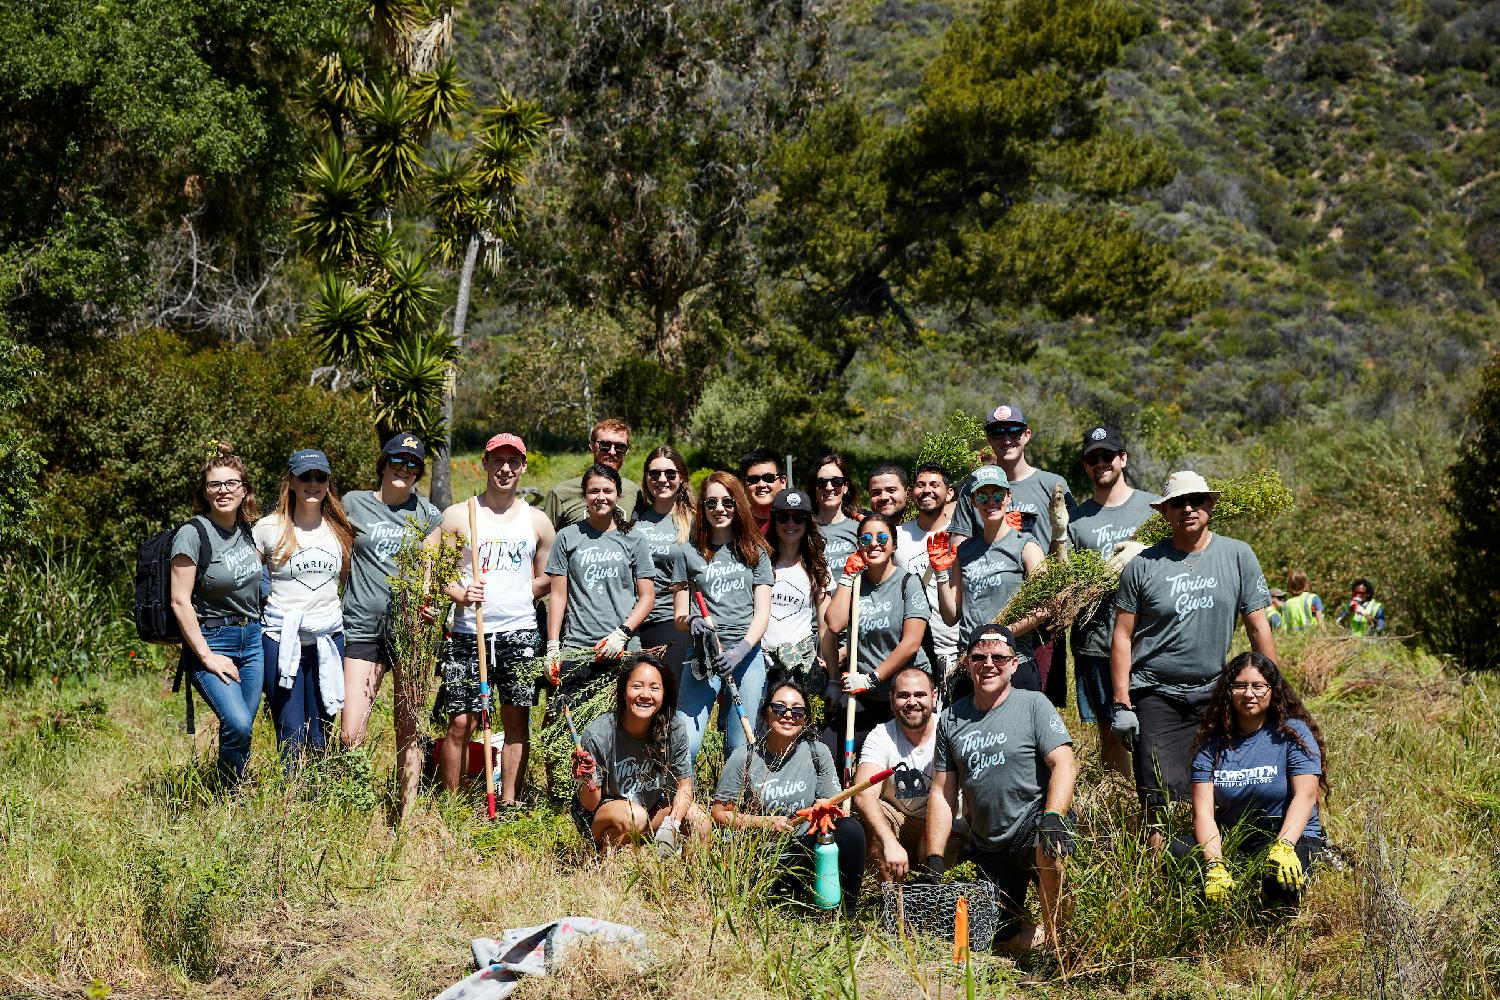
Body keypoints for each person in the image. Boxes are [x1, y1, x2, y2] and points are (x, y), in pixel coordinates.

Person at [1110, 471, 1278, 844]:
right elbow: (1122, 636)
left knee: (1221, 784)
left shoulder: (1238, 555)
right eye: (1177, 503)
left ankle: (1218, 864)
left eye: (1196, 500)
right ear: (1165, 512)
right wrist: (1122, 702)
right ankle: (1156, 882)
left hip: (1214, 691)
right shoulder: (1143, 565)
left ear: (1210, 505)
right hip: (1155, 693)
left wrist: (1273, 688)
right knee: (1157, 796)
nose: (1188, 508)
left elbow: (1258, 628)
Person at [925, 627, 1078, 953]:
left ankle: (1060, 944)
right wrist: (935, 856)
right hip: (988, 843)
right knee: (976, 938)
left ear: (1014, 664)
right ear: (967, 664)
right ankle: (1041, 936)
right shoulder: (951, 718)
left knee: (1050, 848)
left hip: (1033, 822)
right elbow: (942, 792)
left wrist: (1053, 816)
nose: (989, 664)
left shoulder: (1034, 704)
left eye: (999, 657)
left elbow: (1064, 763)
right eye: (979, 657)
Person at [430, 433, 555, 803]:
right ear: (484, 463)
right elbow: (432, 569)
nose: (505, 469)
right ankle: (452, 804)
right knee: (460, 722)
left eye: (513, 462)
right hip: (470, 633)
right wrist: (460, 593)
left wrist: (521, 592)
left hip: (519, 633)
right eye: (497, 460)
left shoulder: (537, 521)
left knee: (516, 721)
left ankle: (510, 801)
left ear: (523, 466)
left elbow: (548, 578)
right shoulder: (459, 515)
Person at [1172, 651, 1327, 907]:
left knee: (1280, 880)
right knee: (1178, 851)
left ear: (1272, 690)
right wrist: (1215, 866)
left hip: (1287, 834)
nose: (1249, 693)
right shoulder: (1211, 743)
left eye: (1258, 686)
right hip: (1237, 836)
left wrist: (1285, 846)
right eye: (1240, 686)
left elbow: (1306, 796)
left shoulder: (1293, 734)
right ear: (1228, 691)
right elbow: (1204, 814)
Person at [340, 432, 442, 815]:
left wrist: (429, 603)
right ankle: (352, 805)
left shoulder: (427, 515)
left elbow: (430, 571)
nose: (405, 469)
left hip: (411, 633)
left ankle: (407, 814)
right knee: (351, 731)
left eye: (413, 464)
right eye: (397, 461)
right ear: (383, 464)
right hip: (362, 627)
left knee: (410, 727)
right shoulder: (353, 504)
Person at [949, 405, 1074, 702]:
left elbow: (1067, 551)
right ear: (989, 438)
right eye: (998, 432)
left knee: (1036, 706)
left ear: (1026, 435)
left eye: (1014, 431)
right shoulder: (971, 490)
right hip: (985, 616)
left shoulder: (1052, 484)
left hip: (1037, 623)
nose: (1007, 438)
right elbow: (962, 555)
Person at [712, 679, 866, 915]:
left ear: (804, 719)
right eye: (779, 708)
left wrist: (823, 809)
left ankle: (846, 914)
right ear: (766, 713)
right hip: (761, 856)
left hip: (805, 849)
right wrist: (762, 823)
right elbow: (720, 813)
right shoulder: (744, 758)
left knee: (850, 828)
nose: (788, 715)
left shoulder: (818, 752)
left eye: (797, 710)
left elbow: (832, 806)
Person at [1064, 426, 1159, 775]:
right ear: (1085, 466)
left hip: (1148, 640)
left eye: (1107, 456)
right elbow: (1066, 583)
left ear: (1123, 459)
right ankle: (1121, 812)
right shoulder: (1074, 521)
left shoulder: (1152, 508)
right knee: (1112, 733)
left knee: (1154, 729)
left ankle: (1155, 808)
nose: (1100, 463)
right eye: (1092, 458)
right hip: (1095, 642)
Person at [168, 442, 264, 786]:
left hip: (252, 641)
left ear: (244, 490)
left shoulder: (249, 531)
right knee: (237, 721)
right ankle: (228, 790)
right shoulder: (192, 534)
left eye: (231, 483)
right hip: (213, 640)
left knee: (241, 729)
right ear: (205, 492)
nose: (223, 490)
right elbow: (179, 601)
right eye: (215, 484)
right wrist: (206, 656)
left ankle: (229, 795)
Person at [253, 448, 354, 774]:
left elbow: (344, 580)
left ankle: (321, 799)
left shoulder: (340, 531)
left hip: (327, 639)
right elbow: (247, 581)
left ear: (328, 483)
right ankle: (290, 804)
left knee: (322, 729)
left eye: (320, 477)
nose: (313, 483)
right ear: (291, 482)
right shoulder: (269, 528)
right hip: (282, 639)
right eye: (305, 477)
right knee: (290, 730)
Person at [672, 473, 773, 762]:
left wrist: (740, 651)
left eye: (727, 502)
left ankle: (728, 804)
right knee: (686, 742)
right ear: (702, 508)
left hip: (747, 657)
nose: (719, 509)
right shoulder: (687, 553)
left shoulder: (755, 552)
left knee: (738, 746)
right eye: (711, 502)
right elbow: (679, 615)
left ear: (738, 505)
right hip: (703, 656)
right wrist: (691, 621)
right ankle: (681, 800)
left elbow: (762, 614)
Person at [930, 466, 1050, 691]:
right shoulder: (964, 551)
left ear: (1008, 497)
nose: (990, 502)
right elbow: (951, 615)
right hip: (972, 667)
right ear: (973, 501)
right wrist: (939, 574)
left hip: (1014, 664)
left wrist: (1000, 634)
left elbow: (1046, 607)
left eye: (997, 495)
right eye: (982, 496)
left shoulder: (1026, 546)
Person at [570, 653, 708, 849]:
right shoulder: (599, 733)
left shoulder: (674, 730)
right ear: (622, 691)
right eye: (637, 686)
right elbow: (590, 804)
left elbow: (684, 787)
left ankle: (692, 878)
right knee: (635, 817)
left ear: (664, 694)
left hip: (648, 812)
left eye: (654, 688)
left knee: (700, 821)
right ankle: (607, 861)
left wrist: (671, 825)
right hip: (604, 817)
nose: (645, 694)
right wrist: (586, 779)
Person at [544, 464, 655, 701]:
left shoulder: (634, 539)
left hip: (623, 649)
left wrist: (622, 635)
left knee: (621, 728)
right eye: (594, 491)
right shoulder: (567, 537)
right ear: (584, 495)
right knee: (569, 729)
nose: (601, 497)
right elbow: (558, 596)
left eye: (608, 490)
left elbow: (647, 596)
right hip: (578, 648)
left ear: (618, 495)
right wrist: (553, 647)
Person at [822, 512, 931, 751]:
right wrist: (847, 578)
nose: (873, 543)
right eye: (865, 538)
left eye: (882, 537)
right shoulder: (855, 583)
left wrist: (872, 678)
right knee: (829, 747)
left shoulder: (908, 582)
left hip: (900, 690)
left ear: (893, 544)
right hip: (863, 693)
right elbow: (834, 624)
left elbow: (911, 643)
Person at [852, 666, 960, 882]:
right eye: (903, 695)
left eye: (920, 694)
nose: (912, 702)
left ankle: (933, 903)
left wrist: (929, 836)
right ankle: (892, 904)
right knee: (870, 819)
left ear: (934, 696)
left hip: (945, 822)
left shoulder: (951, 729)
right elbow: (863, 793)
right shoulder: (881, 735)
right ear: (891, 700)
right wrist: (889, 841)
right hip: (900, 821)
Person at [633, 445, 696, 679]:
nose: (662, 479)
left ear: (682, 478)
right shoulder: (635, 521)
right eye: (654, 474)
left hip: (673, 621)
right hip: (635, 622)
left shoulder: (695, 523)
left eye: (670, 474)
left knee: (669, 697)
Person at [895, 462, 961, 680]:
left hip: (956, 646)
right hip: (913, 649)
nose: (926, 490)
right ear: (912, 492)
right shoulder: (898, 536)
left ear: (949, 492)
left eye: (935, 484)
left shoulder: (961, 535)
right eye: (920, 485)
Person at [762, 488, 831, 696]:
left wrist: (833, 677)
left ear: (807, 522)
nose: (790, 524)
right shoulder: (760, 562)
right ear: (774, 521)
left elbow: (825, 626)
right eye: (783, 517)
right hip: (761, 663)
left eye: (798, 518)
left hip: (801, 666)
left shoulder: (817, 567)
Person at [542, 418, 642, 531]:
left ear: (626, 451)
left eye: (620, 447)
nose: (612, 452)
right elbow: (545, 541)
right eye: (605, 445)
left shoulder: (633, 491)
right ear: (592, 446)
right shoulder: (561, 493)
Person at [807, 454, 863, 591]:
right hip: (813, 609)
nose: (829, 487)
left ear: (845, 487)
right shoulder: (804, 527)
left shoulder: (859, 528)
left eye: (836, 482)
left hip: (852, 608)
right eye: (821, 482)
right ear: (814, 488)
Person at [740, 448, 787, 534]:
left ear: (783, 482)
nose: (761, 485)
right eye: (753, 479)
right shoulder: (736, 524)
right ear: (744, 485)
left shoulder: (797, 523)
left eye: (768, 478)